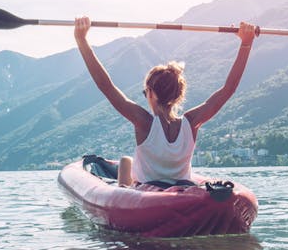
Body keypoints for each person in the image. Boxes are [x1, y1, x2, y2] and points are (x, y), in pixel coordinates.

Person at [74, 16, 258, 187]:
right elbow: (229, 88)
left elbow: (106, 86)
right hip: (183, 191)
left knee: (125, 161)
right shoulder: (192, 122)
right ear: (179, 94)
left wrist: (81, 40)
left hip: (147, 196)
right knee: (126, 161)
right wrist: (246, 44)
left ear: (151, 93)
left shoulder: (144, 122)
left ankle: (120, 194)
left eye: (145, 92)